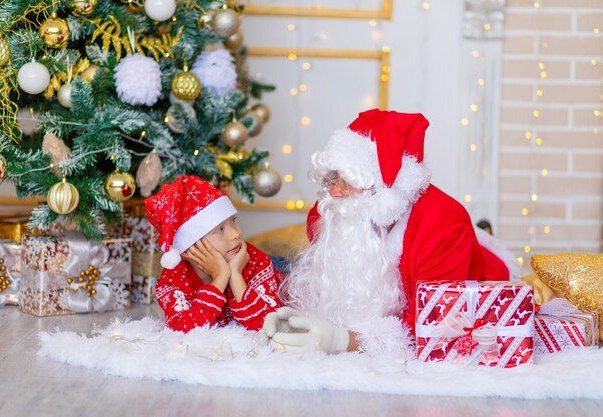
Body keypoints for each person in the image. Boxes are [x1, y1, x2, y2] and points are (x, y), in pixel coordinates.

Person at [260, 109, 521, 355]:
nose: (334, 192)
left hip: (469, 289)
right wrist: (294, 317)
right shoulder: (332, 210)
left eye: (348, 181)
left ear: (383, 191)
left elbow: (432, 326)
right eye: (331, 179)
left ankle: (484, 234)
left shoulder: (444, 225)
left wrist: (344, 340)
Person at [145, 175, 282, 332]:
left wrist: (236, 276)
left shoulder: (255, 261)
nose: (236, 234)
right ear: (190, 246)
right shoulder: (173, 280)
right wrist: (221, 277)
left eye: (233, 221)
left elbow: (269, 326)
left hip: (280, 269)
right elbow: (182, 331)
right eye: (220, 230)